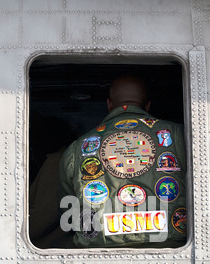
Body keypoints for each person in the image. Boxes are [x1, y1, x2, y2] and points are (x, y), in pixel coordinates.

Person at [58, 74, 187, 248]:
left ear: (109, 104)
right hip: (171, 245)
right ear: (147, 105)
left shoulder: (78, 147)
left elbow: (68, 206)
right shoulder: (179, 135)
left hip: (101, 248)